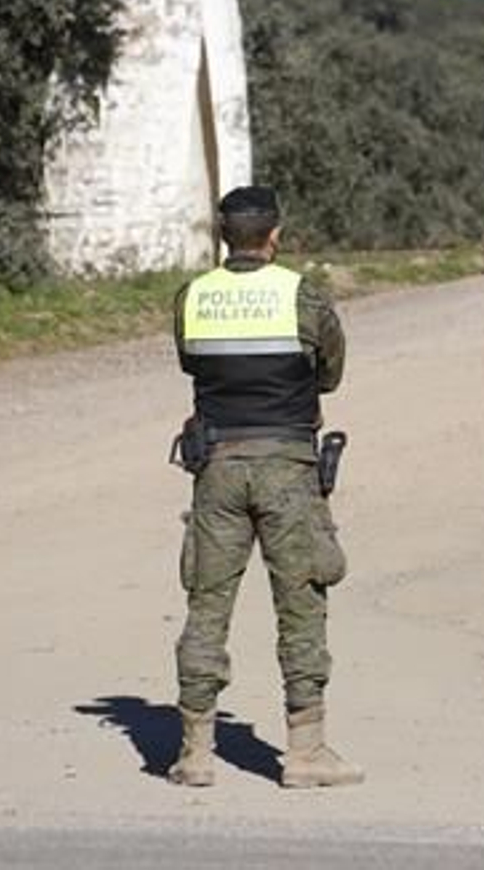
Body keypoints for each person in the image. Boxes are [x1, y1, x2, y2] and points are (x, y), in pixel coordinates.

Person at [166, 185, 363, 789]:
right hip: (288, 470)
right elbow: (329, 373)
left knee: (206, 605)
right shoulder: (303, 296)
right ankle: (305, 753)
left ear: (225, 237)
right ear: (274, 235)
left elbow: (191, 363)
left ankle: (195, 754)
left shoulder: (192, 297)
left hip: (217, 467)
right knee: (300, 603)